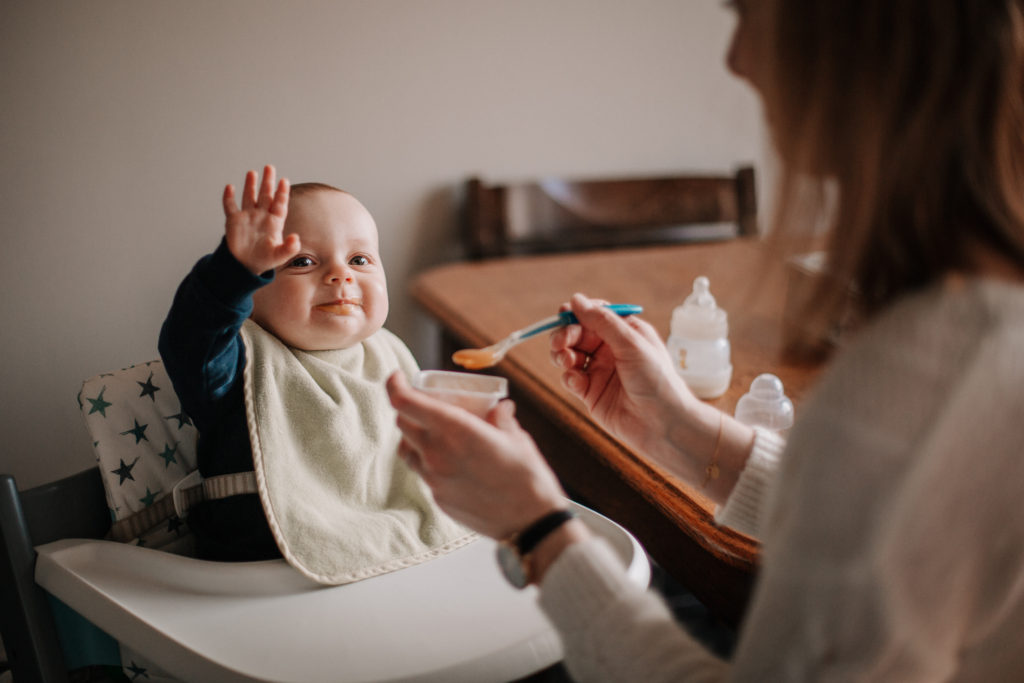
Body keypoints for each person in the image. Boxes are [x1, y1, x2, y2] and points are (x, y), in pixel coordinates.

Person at [386, 0, 1024, 679]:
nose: (735, 60)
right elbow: (881, 513)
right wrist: (675, 426)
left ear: (850, 41)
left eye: (750, 15)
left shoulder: (913, 375)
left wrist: (536, 528)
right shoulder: (975, 330)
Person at [160, 166, 470, 573]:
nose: (341, 274)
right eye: (303, 261)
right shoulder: (236, 363)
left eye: (359, 259)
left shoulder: (387, 352)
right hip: (266, 570)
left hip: (392, 550)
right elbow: (188, 338)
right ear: (250, 292)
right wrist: (231, 272)